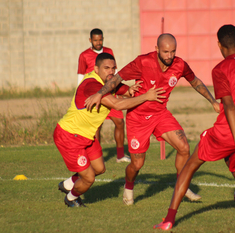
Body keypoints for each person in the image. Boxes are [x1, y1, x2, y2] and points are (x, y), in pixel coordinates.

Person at [153, 24, 235, 230]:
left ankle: (168, 220)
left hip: (230, 133)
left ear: (219, 45)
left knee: (189, 167)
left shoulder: (221, 69)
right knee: (231, 160)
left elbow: (229, 106)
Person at [84, 33, 220, 205]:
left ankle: (182, 186)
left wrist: (212, 101)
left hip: (160, 114)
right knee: (137, 164)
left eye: (173, 51)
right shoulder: (143, 62)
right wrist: (99, 93)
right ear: (156, 49)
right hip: (138, 117)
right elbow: (117, 79)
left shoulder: (180, 65)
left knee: (184, 147)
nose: (170, 56)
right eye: (165, 52)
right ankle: (129, 186)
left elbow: (196, 82)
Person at [54, 53, 165, 207]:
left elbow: (126, 91)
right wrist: (146, 96)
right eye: (106, 68)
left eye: (113, 68)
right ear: (96, 69)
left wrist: (132, 90)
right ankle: (71, 198)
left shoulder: (109, 83)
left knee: (99, 168)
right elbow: (118, 105)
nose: (111, 72)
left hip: (86, 136)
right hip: (69, 136)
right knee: (89, 178)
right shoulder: (91, 85)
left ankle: (67, 184)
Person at [78, 28, 130, 163]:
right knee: (96, 126)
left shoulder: (109, 51)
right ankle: (97, 156)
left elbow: (115, 72)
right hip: (95, 95)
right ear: (90, 40)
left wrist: (119, 89)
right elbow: (81, 76)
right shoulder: (84, 55)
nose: (98, 42)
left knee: (119, 122)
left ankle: (120, 155)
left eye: (100, 39)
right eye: (95, 40)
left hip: (110, 93)